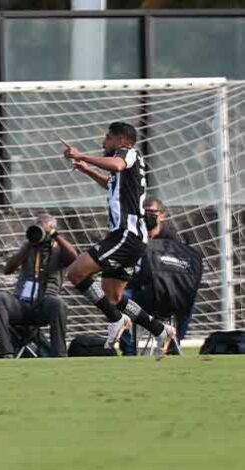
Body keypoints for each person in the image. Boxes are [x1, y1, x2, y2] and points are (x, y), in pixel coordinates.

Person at [62, 122, 176, 359]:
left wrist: (81, 154)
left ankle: (116, 320)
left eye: (108, 138)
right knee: (112, 295)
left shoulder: (128, 154)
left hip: (126, 234)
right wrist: (88, 170)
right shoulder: (125, 170)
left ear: (121, 141)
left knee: (75, 273)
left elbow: (117, 163)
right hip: (132, 238)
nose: (104, 141)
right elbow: (112, 184)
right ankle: (160, 330)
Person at [0, 213, 76, 358]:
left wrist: (54, 235)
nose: (40, 229)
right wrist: (28, 245)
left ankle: (59, 355)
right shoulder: (29, 248)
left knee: (58, 303)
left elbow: (73, 257)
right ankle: (5, 352)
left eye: (44, 226)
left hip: (44, 303)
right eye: (38, 225)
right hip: (21, 303)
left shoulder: (59, 249)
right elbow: (7, 269)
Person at [119, 197, 197, 355]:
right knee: (119, 297)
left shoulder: (172, 239)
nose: (147, 215)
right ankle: (128, 350)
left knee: (188, 297)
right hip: (137, 290)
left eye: (152, 212)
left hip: (164, 289)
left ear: (162, 216)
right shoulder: (131, 234)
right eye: (144, 212)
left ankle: (174, 345)